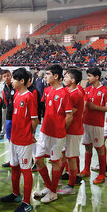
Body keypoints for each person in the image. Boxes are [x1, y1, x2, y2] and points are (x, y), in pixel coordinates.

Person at [0, 68, 38, 212]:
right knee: (14, 166)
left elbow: (34, 119)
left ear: (22, 81)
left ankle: (27, 203)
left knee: (25, 169)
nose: (12, 81)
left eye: (14, 79)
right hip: (14, 138)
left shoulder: (29, 96)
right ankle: (16, 194)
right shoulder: (16, 95)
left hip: (24, 140)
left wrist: (31, 134)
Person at [33, 64, 73, 204]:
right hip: (44, 132)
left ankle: (53, 192)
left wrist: (60, 129)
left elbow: (69, 116)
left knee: (55, 162)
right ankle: (49, 187)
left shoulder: (65, 93)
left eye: (48, 74)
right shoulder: (47, 90)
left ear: (56, 76)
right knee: (38, 159)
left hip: (57, 135)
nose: (45, 76)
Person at [80, 67, 107, 185]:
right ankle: (86, 169)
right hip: (86, 123)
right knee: (87, 146)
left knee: (99, 148)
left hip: (97, 125)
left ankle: (102, 173)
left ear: (97, 77)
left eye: (89, 76)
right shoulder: (87, 89)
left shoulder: (105, 91)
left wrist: (94, 107)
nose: (87, 78)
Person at [57, 68, 84, 194]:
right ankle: (57, 179)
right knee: (63, 155)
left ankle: (72, 185)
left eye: (66, 77)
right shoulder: (68, 91)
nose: (64, 79)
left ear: (73, 80)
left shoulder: (76, 94)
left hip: (73, 130)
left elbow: (68, 113)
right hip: (67, 129)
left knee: (71, 158)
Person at [0, 69, 14, 168]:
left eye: (8, 75)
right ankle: (12, 159)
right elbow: (5, 101)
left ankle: (29, 159)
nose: (7, 78)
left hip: (17, 116)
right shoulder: (4, 88)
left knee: (20, 138)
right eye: (4, 76)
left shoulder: (16, 87)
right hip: (9, 116)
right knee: (9, 138)